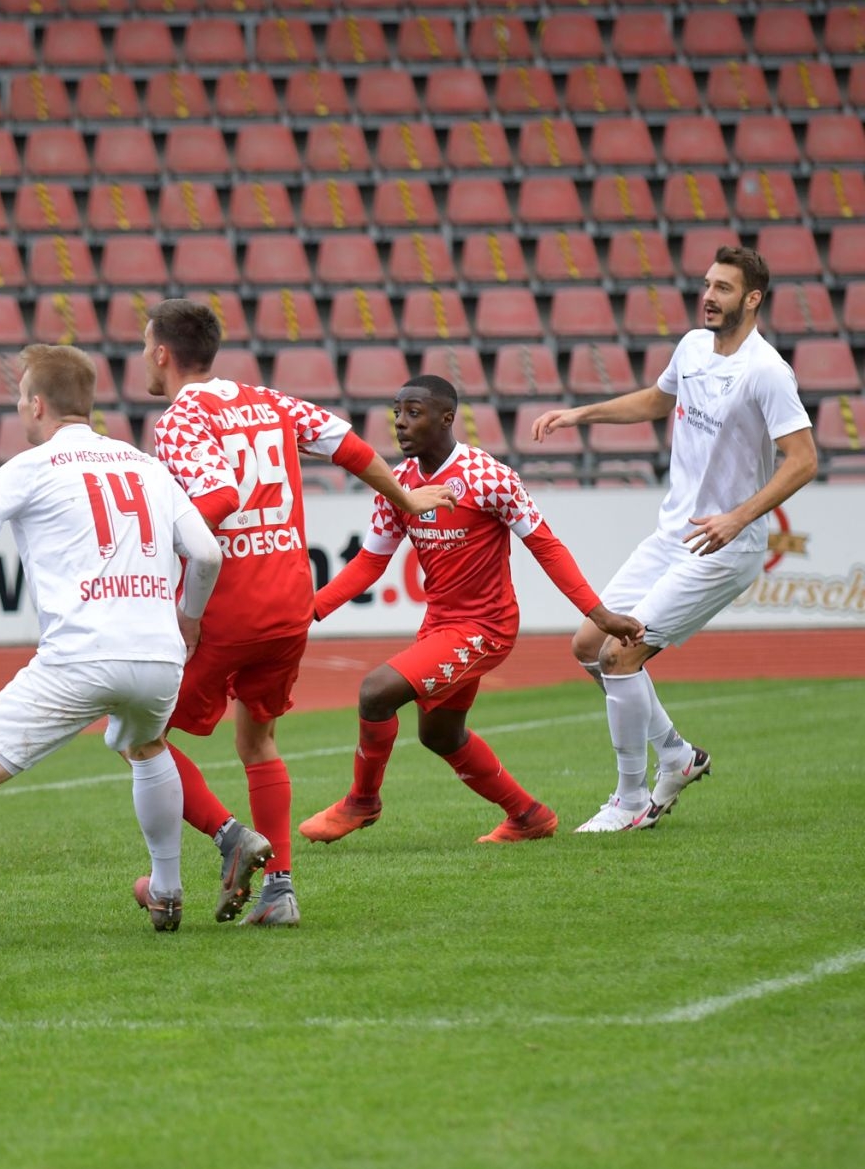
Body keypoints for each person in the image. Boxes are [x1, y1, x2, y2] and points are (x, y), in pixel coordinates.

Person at [136, 299, 457, 928]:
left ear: (162, 353)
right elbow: (347, 444)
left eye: (146, 346)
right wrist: (405, 497)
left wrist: (169, 574)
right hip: (288, 600)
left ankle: (230, 837)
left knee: (137, 738)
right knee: (258, 741)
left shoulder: (178, 419)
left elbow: (220, 498)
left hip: (227, 603)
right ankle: (279, 891)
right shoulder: (269, 400)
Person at [0, 343, 223, 954]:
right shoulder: (146, 465)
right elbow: (206, 554)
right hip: (158, 656)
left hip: (79, 655)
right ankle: (169, 891)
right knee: (147, 746)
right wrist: (189, 620)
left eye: (21, 396)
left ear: (37, 403)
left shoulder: (32, 466)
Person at [530, 246, 817, 833]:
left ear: (753, 299)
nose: (709, 296)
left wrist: (738, 518)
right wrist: (581, 414)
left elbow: (804, 460)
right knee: (589, 644)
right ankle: (678, 756)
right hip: (671, 535)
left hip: (723, 548)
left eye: (724, 288)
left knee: (620, 654)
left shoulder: (766, 371)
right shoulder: (690, 347)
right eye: (708, 284)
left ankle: (632, 800)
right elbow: (659, 401)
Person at [304, 375, 645, 844]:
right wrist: (311, 610)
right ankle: (528, 816)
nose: (400, 423)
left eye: (414, 412)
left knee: (375, 692)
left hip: (486, 627)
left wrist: (598, 613)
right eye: (397, 412)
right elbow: (369, 562)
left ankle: (362, 802)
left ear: (448, 418)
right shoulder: (398, 483)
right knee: (440, 735)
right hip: (440, 625)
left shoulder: (490, 478)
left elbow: (546, 546)